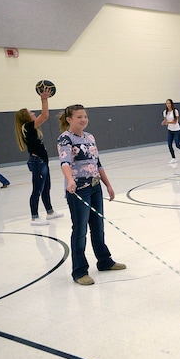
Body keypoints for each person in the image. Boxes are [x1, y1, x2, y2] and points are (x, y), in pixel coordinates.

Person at [56, 104, 126, 286]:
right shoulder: (65, 138)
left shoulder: (90, 137)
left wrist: (108, 185)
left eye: (85, 116)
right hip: (78, 190)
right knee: (80, 230)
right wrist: (70, 180)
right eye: (79, 117)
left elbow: (97, 163)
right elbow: (64, 162)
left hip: (95, 187)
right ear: (69, 119)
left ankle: (104, 261)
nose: (83, 119)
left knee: (98, 226)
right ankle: (79, 271)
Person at [14, 88, 64, 226]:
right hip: (38, 162)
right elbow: (45, 115)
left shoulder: (31, 128)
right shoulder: (27, 127)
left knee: (46, 188)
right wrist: (44, 99)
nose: (33, 113)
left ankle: (50, 212)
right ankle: (34, 217)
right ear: (25, 117)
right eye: (31, 112)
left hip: (42, 162)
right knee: (37, 189)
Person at [161, 99, 180, 164]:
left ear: (171, 104)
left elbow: (175, 122)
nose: (168, 104)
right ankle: (173, 158)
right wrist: (164, 123)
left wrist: (168, 122)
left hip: (176, 130)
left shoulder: (175, 111)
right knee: (169, 145)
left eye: (169, 103)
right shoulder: (165, 112)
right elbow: (165, 121)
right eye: (167, 103)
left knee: (177, 144)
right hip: (170, 130)